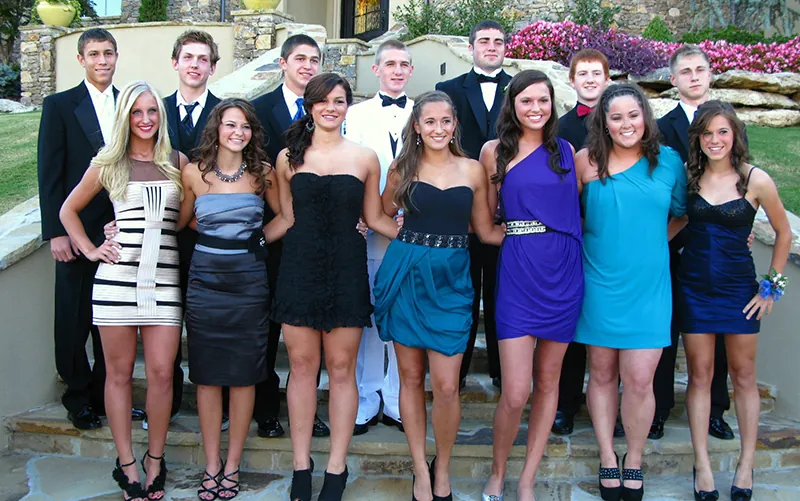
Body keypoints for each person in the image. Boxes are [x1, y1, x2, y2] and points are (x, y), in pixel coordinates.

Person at [264, 73, 400, 501]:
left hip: (346, 269)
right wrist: (239, 244)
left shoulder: (365, 157)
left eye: (339, 101)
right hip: (299, 268)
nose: (331, 108)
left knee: (342, 371)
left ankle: (336, 468)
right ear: (309, 106)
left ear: (347, 107)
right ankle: (301, 466)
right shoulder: (287, 158)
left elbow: (376, 219)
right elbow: (285, 218)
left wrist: (428, 238)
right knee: (302, 369)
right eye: (323, 101)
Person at [373, 90, 506, 501]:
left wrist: (542, 233)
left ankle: (442, 466)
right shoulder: (402, 169)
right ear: (416, 126)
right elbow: (378, 214)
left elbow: (485, 231)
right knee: (410, 379)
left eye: (445, 121)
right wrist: (413, 241)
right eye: (429, 122)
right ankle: (420, 468)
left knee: (447, 386)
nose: (438, 129)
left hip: (452, 280)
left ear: (454, 125)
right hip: (407, 276)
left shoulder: (471, 170)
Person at [59, 80, 187, 501]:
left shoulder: (177, 161)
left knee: (163, 374)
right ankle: (126, 461)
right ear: (125, 117)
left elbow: (186, 217)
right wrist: (93, 249)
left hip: (165, 281)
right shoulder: (108, 162)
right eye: (137, 112)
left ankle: (155, 459)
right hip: (116, 281)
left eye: (152, 111)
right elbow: (68, 209)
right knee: (117, 374)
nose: (146, 119)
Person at [574, 83, 687, 501]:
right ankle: (607, 454)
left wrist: (656, 242)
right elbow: (567, 216)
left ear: (646, 117)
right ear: (603, 122)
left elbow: (682, 213)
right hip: (598, 283)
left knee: (640, 380)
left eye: (633, 115)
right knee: (601, 374)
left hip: (649, 289)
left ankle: (634, 459)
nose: (626, 124)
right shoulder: (586, 162)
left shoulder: (669, 162)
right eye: (616, 116)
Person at [679, 100, 791, 501]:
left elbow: (784, 234)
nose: (715, 140)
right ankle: (703, 466)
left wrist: (771, 289)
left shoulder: (756, 180)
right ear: (698, 138)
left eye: (722, 131)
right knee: (700, 376)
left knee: (743, 377)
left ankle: (746, 465)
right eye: (707, 133)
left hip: (739, 292)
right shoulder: (689, 178)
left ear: (735, 134)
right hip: (692, 288)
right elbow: (674, 223)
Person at [480, 70, 583, 501]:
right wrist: (524, 234)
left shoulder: (566, 151)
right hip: (519, 275)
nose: (536, 108)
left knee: (548, 382)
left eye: (543, 100)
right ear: (513, 105)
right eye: (527, 101)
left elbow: (584, 204)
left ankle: (526, 481)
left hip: (565, 273)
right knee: (516, 389)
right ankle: (498, 473)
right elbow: (487, 228)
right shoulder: (493, 152)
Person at [37, 28, 144, 431]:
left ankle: (108, 394)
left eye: (109, 53)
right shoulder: (60, 106)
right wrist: (57, 232)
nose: (103, 61)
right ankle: (78, 396)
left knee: (113, 320)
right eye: (95, 54)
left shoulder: (129, 106)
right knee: (73, 317)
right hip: (75, 229)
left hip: (119, 231)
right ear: (82, 59)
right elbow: (49, 173)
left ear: (117, 58)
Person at [180, 98, 278, 500]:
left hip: (249, 283)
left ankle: (233, 464)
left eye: (245, 127)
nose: (238, 132)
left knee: (243, 375)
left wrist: (255, 241)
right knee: (206, 375)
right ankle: (211, 465)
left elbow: (287, 218)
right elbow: (182, 220)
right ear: (216, 129)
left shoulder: (264, 174)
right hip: (205, 282)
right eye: (230, 125)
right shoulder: (192, 173)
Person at [251, 34, 330, 439]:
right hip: (273, 234)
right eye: (300, 58)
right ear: (283, 63)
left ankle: (310, 410)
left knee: (313, 331)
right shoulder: (260, 109)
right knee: (266, 330)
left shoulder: (331, 112)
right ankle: (266, 409)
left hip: (317, 242)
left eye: (314, 59)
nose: (307, 65)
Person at [655, 44, 734, 441]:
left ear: (710, 74)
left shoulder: (726, 122)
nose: (694, 76)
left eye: (700, 69)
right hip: (669, 239)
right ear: (674, 80)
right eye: (685, 71)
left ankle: (716, 409)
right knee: (665, 328)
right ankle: (658, 408)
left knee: (715, 328)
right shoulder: (660, 126)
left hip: (716, 241)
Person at [153, 28, 224, 432]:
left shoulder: (227, 113)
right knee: (165, 325)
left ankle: (214, 403)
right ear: (176, 62)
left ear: (213, 67)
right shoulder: (153, 111)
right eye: (188, 57)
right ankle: (168, 402)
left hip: (209, 239)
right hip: (160, 238)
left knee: (209, 323)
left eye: (203, 59)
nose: (195, 64)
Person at [435, 19, 510, 390]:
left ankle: (501, 370)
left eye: (498, 41)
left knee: (500, 294)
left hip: (506, 214)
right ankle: (456, 372)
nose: (491, 46)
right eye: (484, 41)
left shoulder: (520, 89)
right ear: (471, 47)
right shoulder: (446, 90)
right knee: (461, 295)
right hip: (458, 214)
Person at [343, 39, 412, 436]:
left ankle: (398, 396)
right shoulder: (354, 114)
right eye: (390, 64)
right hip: (368, 228)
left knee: (402, 315)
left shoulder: (424, 112)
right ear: (376, 69)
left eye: (404, 65)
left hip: (414, 230)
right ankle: (366, 397)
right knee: (369, 314)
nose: (398, 71)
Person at [553, 48, 614, 437]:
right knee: (572, 326)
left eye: (597, 73)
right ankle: (566, 405)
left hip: (615, 238)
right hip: (574, 237)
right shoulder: (558, 128)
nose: (590, 79)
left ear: (607, 79)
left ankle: (613, 408)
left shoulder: (625, 122)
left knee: (610, 330)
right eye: (583, 74)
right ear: (572, 81)